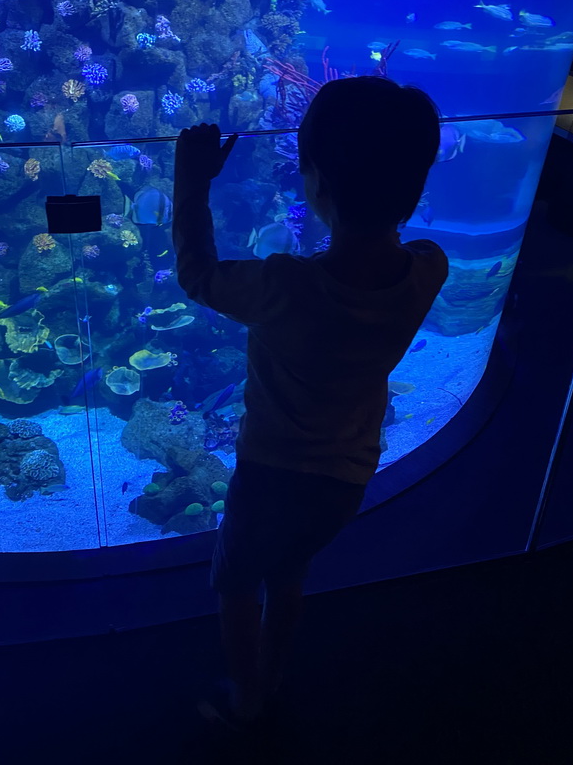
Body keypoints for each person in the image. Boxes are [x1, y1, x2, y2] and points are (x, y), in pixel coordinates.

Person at [172, 76, 448, 729]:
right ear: (418, 182)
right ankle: (274, 670)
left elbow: (199, 276)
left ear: (314, 181)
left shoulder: (285, 286)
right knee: (290, 572)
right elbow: (407, 252)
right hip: (346, 477)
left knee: (237, 584)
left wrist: (192, 181)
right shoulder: (428, 269)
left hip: (270, 476)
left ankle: (247, 698)